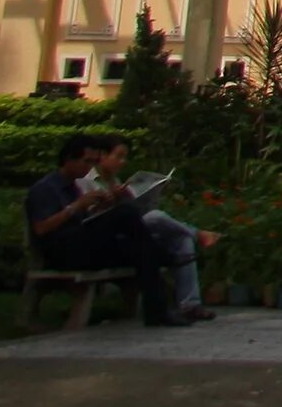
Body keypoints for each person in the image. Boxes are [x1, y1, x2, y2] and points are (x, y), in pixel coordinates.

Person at [25, 135, 188, 328]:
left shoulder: (74, 186)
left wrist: (103, 206)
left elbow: (85, 219)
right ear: (69, 159)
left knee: (142, 249)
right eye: (86, 162)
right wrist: (76, 206)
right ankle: (164, 270)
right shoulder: (46, 188)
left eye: (93, 162)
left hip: (84, 245)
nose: (89, 167)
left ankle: (158, 308)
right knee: (128, 216)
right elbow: (41, 228)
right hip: (61, 250)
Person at [86, 136, 218, 321]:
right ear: (103, 155)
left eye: (125, 157)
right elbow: (89, 221)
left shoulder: (117, 181)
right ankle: (198, 234)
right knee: (156, 217)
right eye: (118, 156)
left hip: (134, 235)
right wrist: (110, 201)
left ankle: (190, 305)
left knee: (181, 239)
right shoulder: (87, 181)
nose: (122, 162)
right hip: (110, 241)